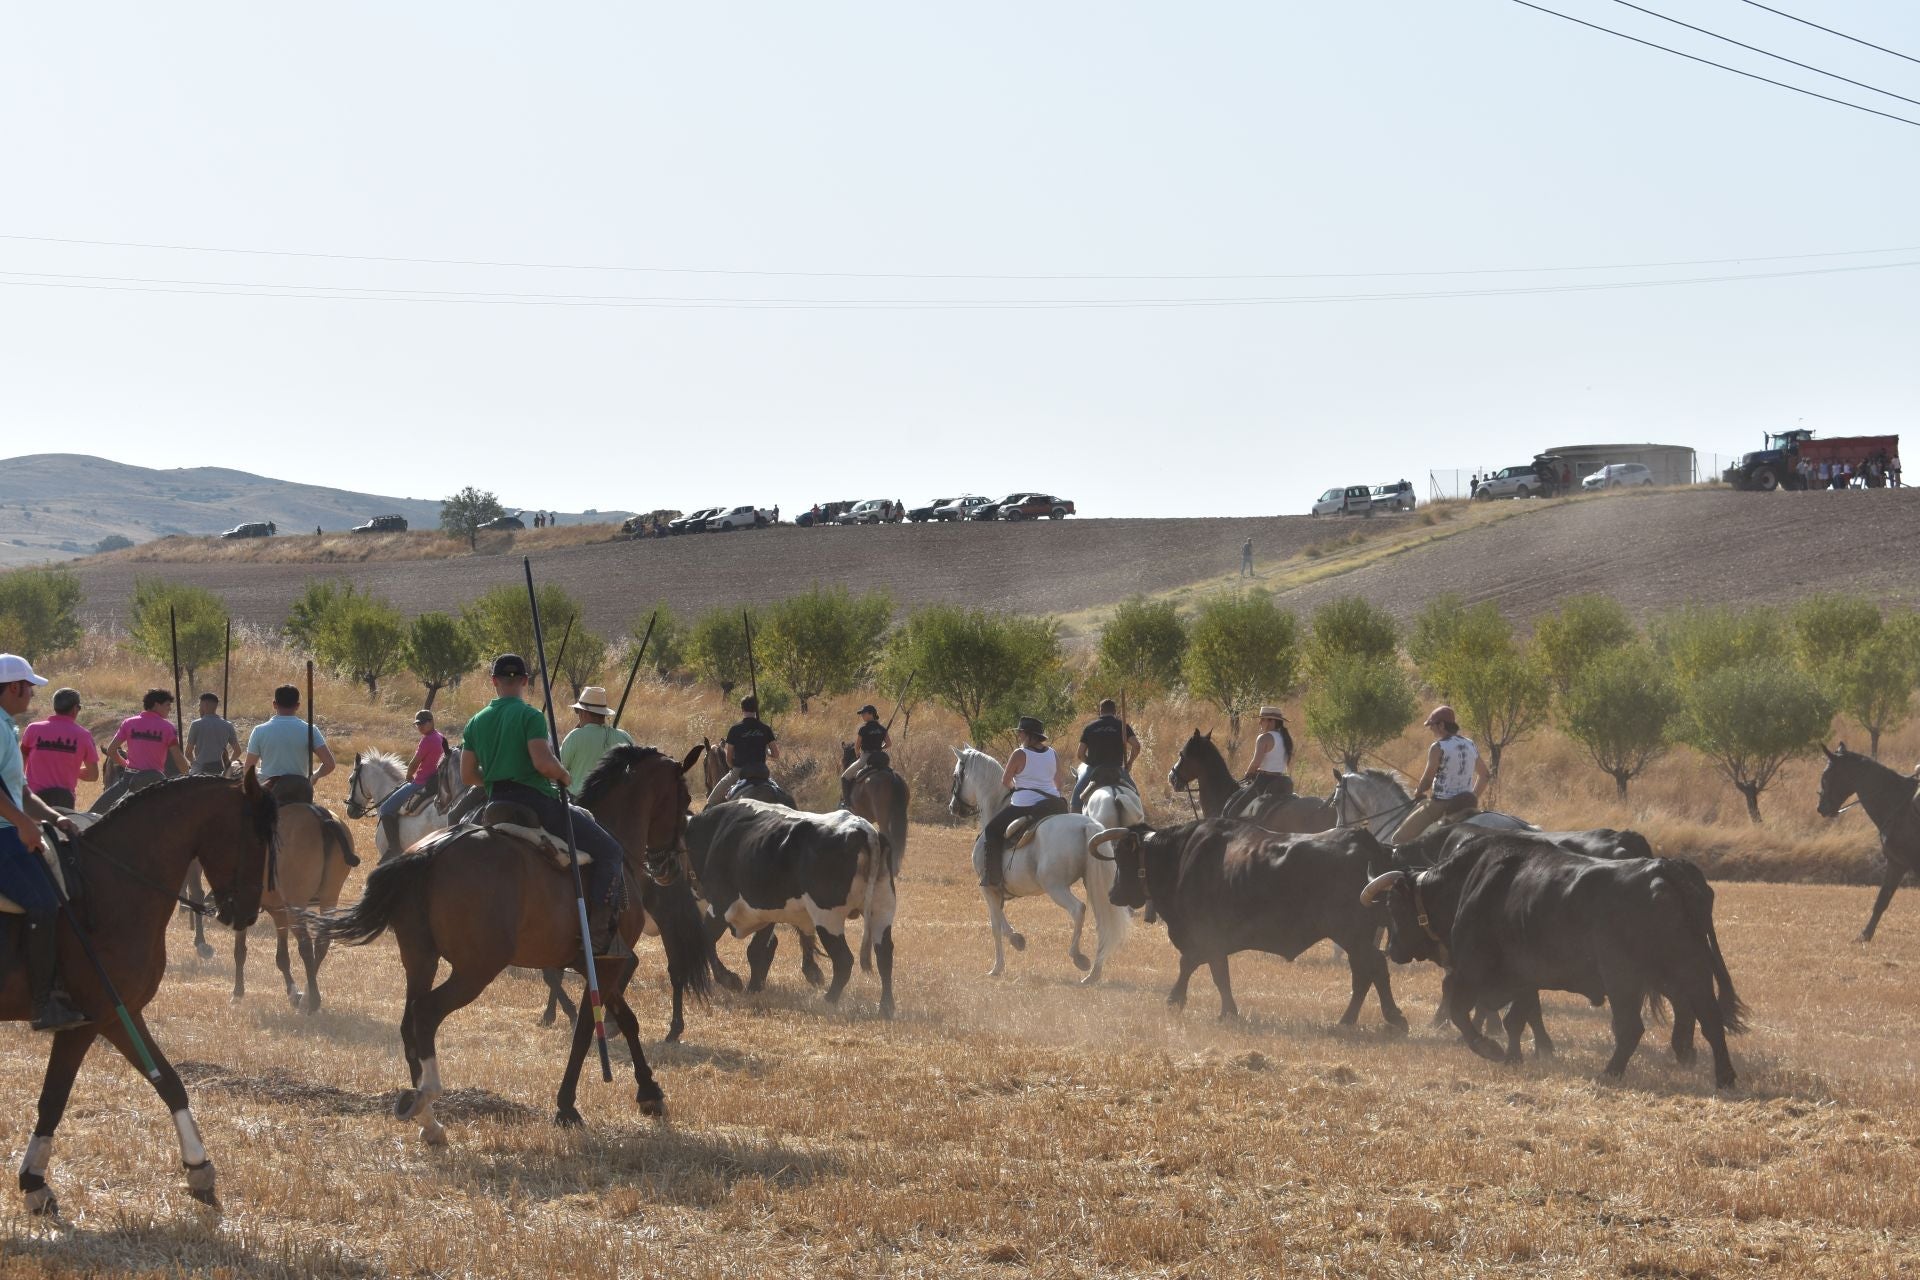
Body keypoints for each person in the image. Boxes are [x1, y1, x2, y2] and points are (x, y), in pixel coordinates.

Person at [461, 654, 629, 958]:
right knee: (612, 851)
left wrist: (495, 781)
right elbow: (542, 762)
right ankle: (598, 937)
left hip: (496, 802)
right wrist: (562, 775)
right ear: (525, 681)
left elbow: (467, 774)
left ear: (494, 682)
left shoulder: (476, 721)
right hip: (537, 802)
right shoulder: (530, 717)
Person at [0, 654, 89, 1030]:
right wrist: (22, 823)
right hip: (2, 835)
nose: (32, 695)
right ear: (15, 687)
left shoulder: (10, 727)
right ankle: (42, 1004)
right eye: (29, 688)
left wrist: (53, 817)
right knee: (44, 902)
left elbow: (18, 788)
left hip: (9, 828)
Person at [979, 717, 1067, 889]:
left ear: (1028, 736)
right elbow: (1060, 782)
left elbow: (1006, 780)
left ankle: (994, 878)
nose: (1018, 735)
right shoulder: (1052, 753)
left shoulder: (1020, 754)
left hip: (1025, 805)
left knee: (991, 830)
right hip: (1052, 804)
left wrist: (1017, 789)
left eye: (1020, 732)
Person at [1395, 705, 1493, 845]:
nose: (1430, 729)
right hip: (1467, 805)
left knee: (1398, 839)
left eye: (1432, 725)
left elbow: (1427, 781)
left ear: (1441, 725)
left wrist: (1418, 791)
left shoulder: (1438, 747)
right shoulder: (1470, 744)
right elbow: (1485, 776)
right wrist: (1471, 797)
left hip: (1441, 804)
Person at [244, 684, 334, 806]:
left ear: (274, 704)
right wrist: (314, 777)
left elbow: (248, 768)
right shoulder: (310, 730)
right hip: (301, 790)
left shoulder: (259, 730)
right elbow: (329, 764)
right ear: (297, 706)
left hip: (270, 792)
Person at [378, 710, 450, 854]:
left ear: (431, 722)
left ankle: (393, 848)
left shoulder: (427, 740)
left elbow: (414, 762)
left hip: (421, 782)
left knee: (385, 809)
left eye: (422, 723)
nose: (420, 727)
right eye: (418, 724)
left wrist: (409, 775)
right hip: (437, 782)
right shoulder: (441, 737)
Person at [100, 689, 189, 807]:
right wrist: (188, 775)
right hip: (156, 782)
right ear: (156, 705)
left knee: (95, 813)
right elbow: (179, 760)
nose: (170, 708)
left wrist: (126, 764)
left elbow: (111, 751)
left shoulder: (129, 723)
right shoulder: (168, 728)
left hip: (129, 779)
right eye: (167, 705)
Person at [20, 687, 98, 811]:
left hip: (33, 801)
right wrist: (70, 769)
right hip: (64, 803)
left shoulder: (33, 729)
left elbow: (20, 765)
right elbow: (93, 775)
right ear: (74, 709)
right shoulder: (84, 735)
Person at [709, 695, 783, 806]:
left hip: (740, 771)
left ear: (742, 709)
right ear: (757, 709)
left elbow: (728, 759)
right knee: (780, 795)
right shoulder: (765, 728)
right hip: (762, 772)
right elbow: (776, 755)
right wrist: (766, 752)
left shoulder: (735, 729)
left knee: (712, 801)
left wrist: (734, 768)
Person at [559, 686, 632, 798]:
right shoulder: (624, 736)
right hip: (615, 804)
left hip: (580, 802)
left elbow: (559, 768)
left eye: (577, 711)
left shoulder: (575, 737)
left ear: (583, 712)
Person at [1069, 699, 1139, 813]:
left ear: (1100, 711)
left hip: (1094, 770)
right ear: (1115, 711)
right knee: (1136, 795)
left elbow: (1080, 754)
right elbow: (1136, 746)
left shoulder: (1090, 727)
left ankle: (1074, 817)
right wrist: (1129, 763)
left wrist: (1091, 762)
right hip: (1116, 770)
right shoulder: (1122, 726)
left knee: (1076, 798)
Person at [1222, 706, 1293, 820]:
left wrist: (1248, 773)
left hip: (1264, 782)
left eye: (1262, 719)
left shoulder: (1264, 738)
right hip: (1282, 781)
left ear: (1271, 721)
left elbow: (1256, 763)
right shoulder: (1285, 738)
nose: (1259, 722)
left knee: (1231, 813)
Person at [839, 704, 891, 808]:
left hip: (866, 757)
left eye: (864, 713)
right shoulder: (882, 729)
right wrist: (881, 747)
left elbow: (857, 747)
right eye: (861, 714)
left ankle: (847, 804)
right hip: (880, 756)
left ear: (871, 714)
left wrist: (858, 755)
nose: (862, 715)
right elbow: (889, 744)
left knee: (844, 777)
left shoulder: (863, 729)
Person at [185, 692, 238, 777]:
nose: (199, 709)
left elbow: (187, 753)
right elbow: (237, 751)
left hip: (200, 771)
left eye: (199, 706)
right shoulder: (228, 725)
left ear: (205, 705)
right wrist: (228, 765)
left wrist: (194, 764)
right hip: (220, 771)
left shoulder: (196, 724)